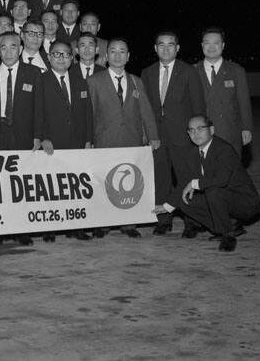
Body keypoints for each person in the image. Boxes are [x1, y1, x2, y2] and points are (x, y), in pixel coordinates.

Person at [87, 38, 159, 238]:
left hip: (131, 141)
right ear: (106, 56)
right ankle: (102, 224)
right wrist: (89, 140)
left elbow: (146, 111)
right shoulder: (93, 82)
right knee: (103, 183)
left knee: (129, 182)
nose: (117, 55)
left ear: (128, 57)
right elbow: (89, 114)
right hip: (104, 142)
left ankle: (129, 223)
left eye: (122, 52)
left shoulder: (136, 81)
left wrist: (153, 136)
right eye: (113, 51)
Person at [156, 116, 260, 252]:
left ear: (211, 130)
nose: (196, 133)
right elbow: (183, 183)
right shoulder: (192, 153)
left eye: (200, 129)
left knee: (213, 191)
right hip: (220, 199)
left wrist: (195, 183)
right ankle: (229, 226)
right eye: (191, 130)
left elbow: (221, 180)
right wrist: (167, 206)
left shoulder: (224, 149)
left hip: (245, 202)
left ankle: (228, 236)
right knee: (184, 200)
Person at [141, 31, 205, 235]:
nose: (166, 48)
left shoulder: (188, 72)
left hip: (183, 137)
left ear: (177, 48)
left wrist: (198, 135)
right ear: (155, 48)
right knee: (160, 179)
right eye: (161, 45)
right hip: (157, 137)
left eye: (171, 45)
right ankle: (163, 220)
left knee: (186, 178)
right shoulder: (147, 72)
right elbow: (145, 108)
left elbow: (198, 106)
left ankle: (192, 222)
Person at [35, 41, 93, 241]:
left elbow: (87, 114)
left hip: (76, 143)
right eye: (56, 54)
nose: (61, 58)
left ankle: (74, 227)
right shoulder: (40, 81)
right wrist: (43, 137)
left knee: (73, 187)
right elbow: (37, 112)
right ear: (49, 57)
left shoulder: (80, 81)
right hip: (51, 143)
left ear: (72, 58)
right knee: (51, 187)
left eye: (65, 54)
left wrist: (88, 140)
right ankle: (49, 229)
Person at [197, 27, 253, 157]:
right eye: (207, 43)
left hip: (229, 131)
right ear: (202, 45)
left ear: (223, 45)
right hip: (201, 133)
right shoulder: (192, 71)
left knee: (230, 172)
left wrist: (247, 128)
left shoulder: (236, 71)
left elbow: (243, 102)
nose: (211, 47)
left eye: (216, 43)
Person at [0, 32, 42, 152]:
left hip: (25, 133)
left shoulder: (33, 73)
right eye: (4, 48)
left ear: (20, 50)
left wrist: (38, 135)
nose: (8, 53)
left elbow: (39, 107)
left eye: (13, 47)